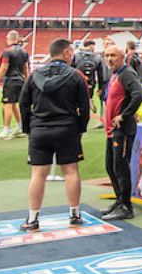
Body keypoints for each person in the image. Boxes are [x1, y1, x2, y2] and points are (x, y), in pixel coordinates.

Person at [17, 38, 91, 232]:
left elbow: (23, 103)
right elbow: (84, 107)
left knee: (38, 174)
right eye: (72, 52)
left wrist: (28, 128)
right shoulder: (76, 76)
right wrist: (80, 128)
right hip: (67, 128)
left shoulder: (34, 75)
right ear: (66, 52)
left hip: (40, 129)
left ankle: (33, 218)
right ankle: (74, 214)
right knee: (71, 171)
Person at [100, 43, 142, 220]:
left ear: (122, 57)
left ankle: (126, 206)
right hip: (112, 130)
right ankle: (119, 201)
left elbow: (139, 94)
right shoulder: (115, 75)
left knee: (120, 168)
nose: (109, 59)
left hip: (122, 130)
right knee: (111, 167)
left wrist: (124, 115)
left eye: (113, 55)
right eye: (107, 55)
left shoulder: (126, 74)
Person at [0, 30, 30, 139]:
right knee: (14, 105)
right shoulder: (24, 52)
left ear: (8, 38)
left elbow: (4, 67)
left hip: (10, 81)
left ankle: (6, 129)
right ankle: (21, 126)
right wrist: (27, 82)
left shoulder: (7, 51)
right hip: (21, 81)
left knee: (7, 104)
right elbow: (26, 69)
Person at [73, 39, 108, 128]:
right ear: (91, 46)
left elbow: (71, 69)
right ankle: (88, 106)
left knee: (76, 102)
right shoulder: (96, 57)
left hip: (77, 83)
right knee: (85, 103)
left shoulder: (76, 56)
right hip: (90, 84)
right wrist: (100, 88)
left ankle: (76, 119)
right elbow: (100, 74)